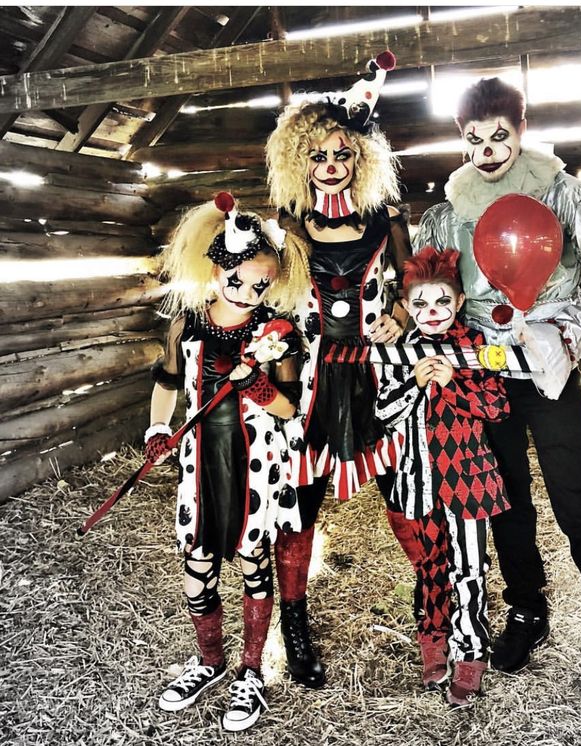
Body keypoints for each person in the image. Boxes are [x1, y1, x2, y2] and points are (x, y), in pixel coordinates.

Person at [414, 77, 581, 721]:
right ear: (461, 140)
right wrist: (428, 340)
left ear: (520, 129)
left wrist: (565, 333)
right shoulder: (449, 211)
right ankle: (528, 607)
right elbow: (435, 295)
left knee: (577, 506)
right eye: (473, 139)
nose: (488, 150)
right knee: (506, 503)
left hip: (547, 371)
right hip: (484, 377)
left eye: (499, 136)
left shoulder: (563, 194)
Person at [265, 51, 427, 661]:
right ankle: (295, 622)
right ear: (298, 159)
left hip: (377, 377)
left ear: (361, 160)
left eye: (343, 155)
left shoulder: (388, 219)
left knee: (399, 494)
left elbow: (417, 283)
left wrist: (402, 317)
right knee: (298, 502)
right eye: (319, 155)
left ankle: (432, 603)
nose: (331, 166)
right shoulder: (287, 225)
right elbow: (265, 294)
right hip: (306, 379)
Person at [144, 192, 312, 731]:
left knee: (253, 562)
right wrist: (157, 428)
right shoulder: (187, 326)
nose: (247, 292)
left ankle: (251, 671)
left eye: (260, 284)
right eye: (236, 280)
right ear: (214, 270)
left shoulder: (278, 335)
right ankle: (210, 661)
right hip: (200, 463)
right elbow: (167, 383)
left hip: (257, 463)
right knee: (198, 564)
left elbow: (291, 409)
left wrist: (259, 386)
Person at [374, 246, 510, 707]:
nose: (431, 313)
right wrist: (413, 380)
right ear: (408, 307)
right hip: (418, 479)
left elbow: (496, 407)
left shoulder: (475, 347)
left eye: (440, 303)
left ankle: (471, 651)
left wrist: (454, 381)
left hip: (467, 478)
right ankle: (433, 639)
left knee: (469, 569)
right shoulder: (399, 352)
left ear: (456, 302)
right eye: (420, 305)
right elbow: (385, 413)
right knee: (430, 564)